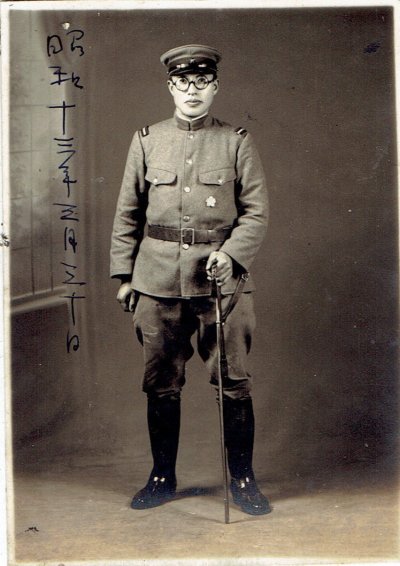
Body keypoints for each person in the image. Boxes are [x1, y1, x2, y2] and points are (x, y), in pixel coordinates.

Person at [110, 44, 270, 516]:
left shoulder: (237, 141)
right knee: (161, 384)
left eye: (202, 82)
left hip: (224, 285)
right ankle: (162, 478)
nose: (192, 91)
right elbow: (127, 213)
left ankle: (242, 481)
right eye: (183, 82)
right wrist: (124, 275)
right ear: (170, 87)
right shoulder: (146, 140)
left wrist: (232, 255)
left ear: (215, 87)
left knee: (234, 383)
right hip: (156, 283)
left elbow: (257, 214)